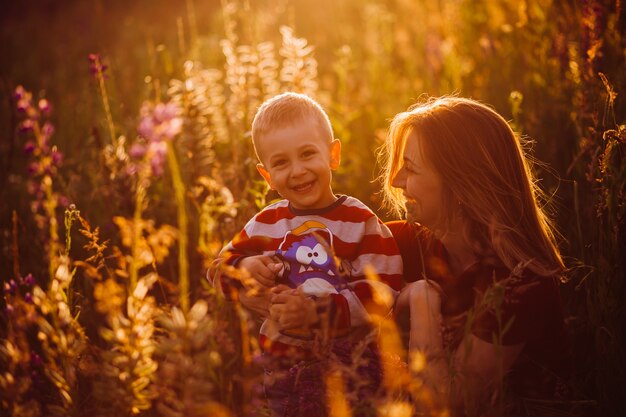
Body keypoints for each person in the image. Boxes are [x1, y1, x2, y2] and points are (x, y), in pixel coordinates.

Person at [209, 92, 403, 416]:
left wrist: (316, 314)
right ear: (267, 176)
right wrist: (244, 267)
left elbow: (384, 290)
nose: (297, 171)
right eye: (281, 163)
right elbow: (217, 270)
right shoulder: (265, 223)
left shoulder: (360, 221)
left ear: (333, 155)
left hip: (350, 365)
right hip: (280, 367)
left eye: (307, 154)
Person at [380, 96, 572, 416]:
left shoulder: (521, 285)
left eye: (409, 168)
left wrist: (421, 299)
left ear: (460, 182)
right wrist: (267, 274)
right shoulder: (400, 241)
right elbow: (313, 268)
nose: (395, 181)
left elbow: (446, 403)